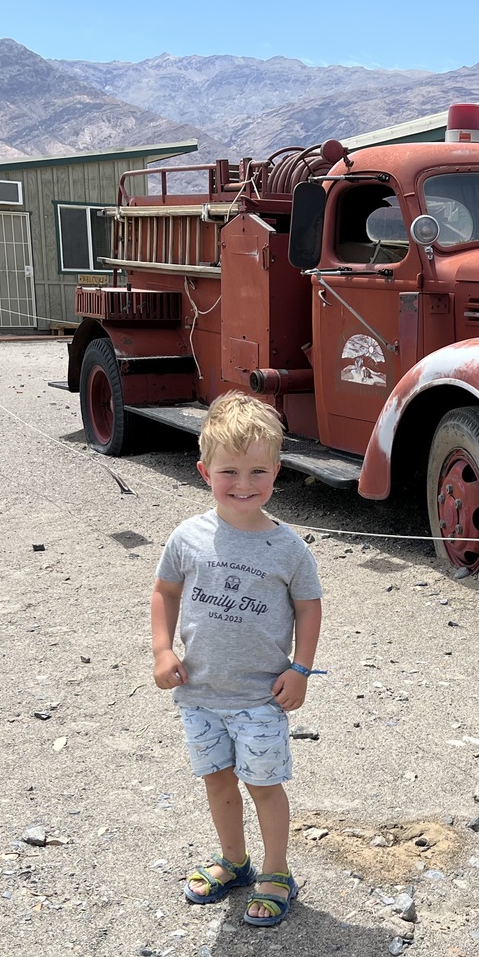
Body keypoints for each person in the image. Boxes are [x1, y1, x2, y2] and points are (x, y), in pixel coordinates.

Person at [150, 393, 323, 927]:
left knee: (264, 785)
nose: (243, 484)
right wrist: (161, 648)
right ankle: (235, 860)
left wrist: (301, 668)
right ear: (204, 471)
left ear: (277, 471)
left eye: (257, 471)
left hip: (260, 697)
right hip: (200, 694)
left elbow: (309, 606)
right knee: (218, 780)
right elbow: (164, 591)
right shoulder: (188, 537)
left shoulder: (287, 547)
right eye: (229, 470)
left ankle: (277, 871)